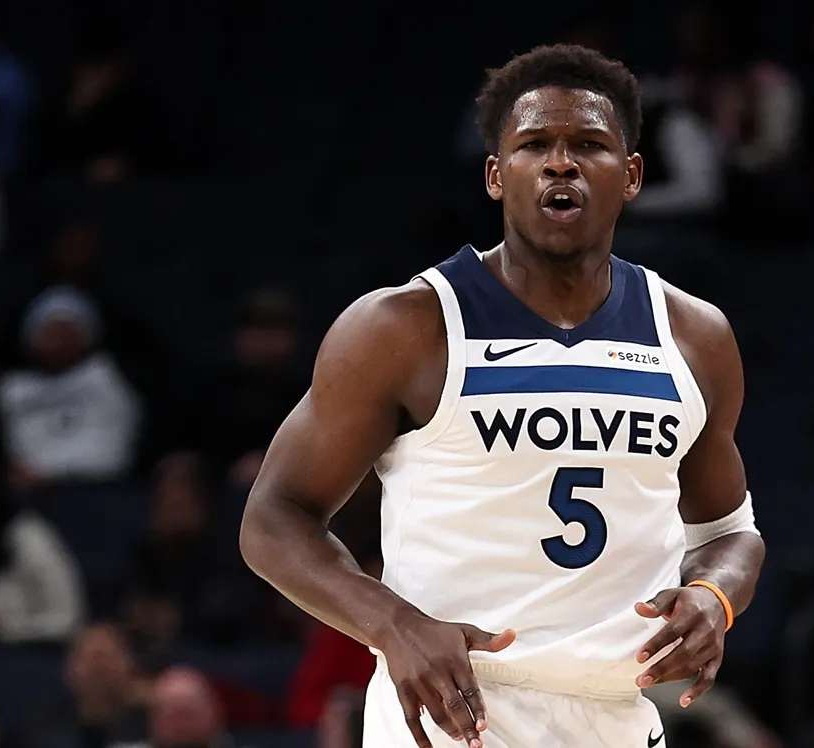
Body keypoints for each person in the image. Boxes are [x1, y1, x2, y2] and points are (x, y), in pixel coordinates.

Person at [239, 44, 766, 748]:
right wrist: (391, 623)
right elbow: (273, 518)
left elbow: (731, 533)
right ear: (496, 174)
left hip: (617, 710)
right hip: (452, 713)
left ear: (632, 175)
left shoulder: (694, 335)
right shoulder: (405, 325)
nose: (560, 162)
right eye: (534, 145)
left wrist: (713, 597)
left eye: (588, 145)